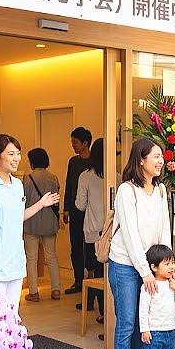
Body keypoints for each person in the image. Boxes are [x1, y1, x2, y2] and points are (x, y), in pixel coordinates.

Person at [108, 138, 171, 349]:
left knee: (142, 321)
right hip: (125, 264)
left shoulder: (160, 190)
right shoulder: (127, 190)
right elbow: (131, 236)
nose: (160, 161)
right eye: (155, 156)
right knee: (127, 322)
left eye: (161, 156)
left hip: (149, 267)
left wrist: (167, 265)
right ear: (141, 160)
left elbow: (164, 229)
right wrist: (146, 272)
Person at [0, 134, 60, 314]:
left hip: (15, 260)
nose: (17, 159)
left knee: (12, 316)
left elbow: (18, 217)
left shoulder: (17, 185)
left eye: (18, 153)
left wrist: (41, 204)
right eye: (11, 154)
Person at [23, 148, 62, 301]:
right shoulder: (53, 178)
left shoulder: (27, 179)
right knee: (51, 256)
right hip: (49, 222)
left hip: (31, 222)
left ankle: (33, 292)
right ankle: (56, 289)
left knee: (31, 258)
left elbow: (23, 200)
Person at [75, 137, 106, 319]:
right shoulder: (117, 177)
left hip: (93, 229)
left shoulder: (85, 176)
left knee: (93, 270)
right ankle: (106, 312)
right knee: (107, 272)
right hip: (112, 231)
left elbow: (80, 205)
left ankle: (95, 305)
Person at [63, 127, 93, 295]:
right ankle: (78, 280)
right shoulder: (73, 162)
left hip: (91, 211)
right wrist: (66, 209)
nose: (73, 145)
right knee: (75, 246)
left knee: (89, 246)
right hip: (75, 210)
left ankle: (90, 280)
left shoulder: (94, 162)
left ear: (85, 143)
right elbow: (69, 185)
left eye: (75, 142)